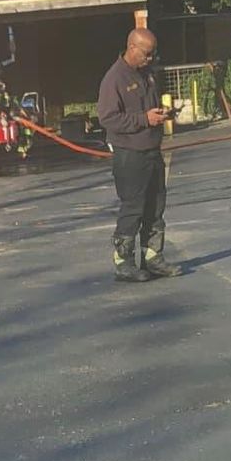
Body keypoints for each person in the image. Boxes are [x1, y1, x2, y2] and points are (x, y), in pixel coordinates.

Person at [97, 28, 182, 282]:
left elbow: (148, 109)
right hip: (129, 154)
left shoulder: (148, 74)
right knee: (133, 207)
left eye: (153, 54)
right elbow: (108, 118)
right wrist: (144, 119)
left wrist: (163, 114)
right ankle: (123, 261)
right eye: (147, 54)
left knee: (155, 206)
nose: (150, 58)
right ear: (132, 48)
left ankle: (153, 257)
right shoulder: (114, 79)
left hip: (151, 150)